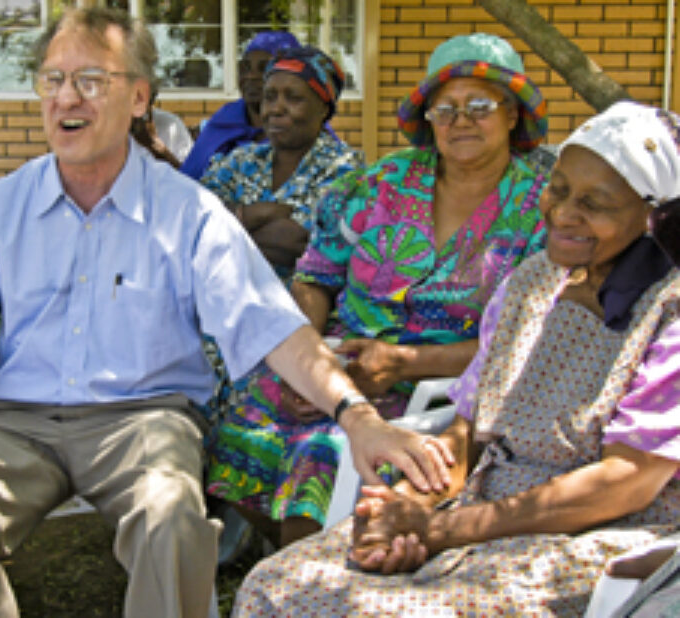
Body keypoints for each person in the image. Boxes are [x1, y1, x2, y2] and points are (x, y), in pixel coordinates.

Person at [0, 8, 451, 618]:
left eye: (90, 79)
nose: (65, 99)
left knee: (174, 521)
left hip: (144, 419)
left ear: (138, 97)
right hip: (13, 422)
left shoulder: (190, 212)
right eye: (52, 80)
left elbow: (272, 325)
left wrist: (357, 415)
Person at [230, 100, 680, 616]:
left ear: (653, 216)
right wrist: (407, 508)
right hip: (476, 511)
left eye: (594, 204)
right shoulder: (532, 283)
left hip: (590, 536)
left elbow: (625, 484)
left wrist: (442, 530)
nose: (562, 212)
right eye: (557, 189)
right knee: (276, 585)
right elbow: (466, 433)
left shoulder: (668, 310)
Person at [206, 33, 549, 548]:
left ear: (513, 114)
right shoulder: (385, 180)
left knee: (321, 452)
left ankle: (310, 573)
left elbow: (523, 342)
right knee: (239, 422)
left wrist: (402, 364)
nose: (461, 120)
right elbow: (315, 275)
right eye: (445, 108)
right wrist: (314, 362)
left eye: (480, 105)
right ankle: (291, 558)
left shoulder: (539, 209)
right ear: (428, 118)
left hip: (438, 380)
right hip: (340, 358)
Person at [201, 45, 363, 280]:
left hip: (302, 312)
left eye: (294, 98)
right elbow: (193, 217)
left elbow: (294, 243)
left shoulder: (345, 168)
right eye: (269, 97)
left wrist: (224, 226)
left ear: (323, 109)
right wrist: (252, 215)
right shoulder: (242, 159)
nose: (276, 109)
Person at [179, 30, 301, 180]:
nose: (251, 76)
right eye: (245, 68)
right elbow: (188, 181)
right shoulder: (223, 122)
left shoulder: (307, 132)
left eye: (264, 68)